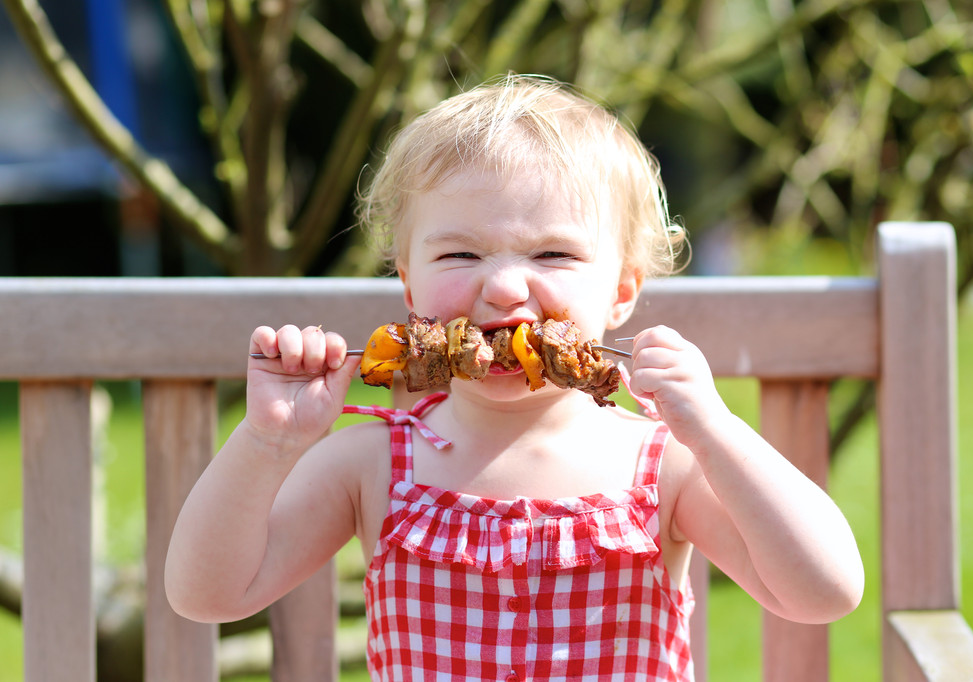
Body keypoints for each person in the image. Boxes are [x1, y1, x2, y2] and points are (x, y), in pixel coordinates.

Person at [165, 75, 863, 681]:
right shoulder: (369, 464)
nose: (502, 288)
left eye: (553, 253)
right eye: (461, 252)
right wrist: (267, 443)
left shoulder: (664, 466)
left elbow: (822, 592)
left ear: (620, 292)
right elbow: (207, 594)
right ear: (408, 285)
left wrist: (713, 429)